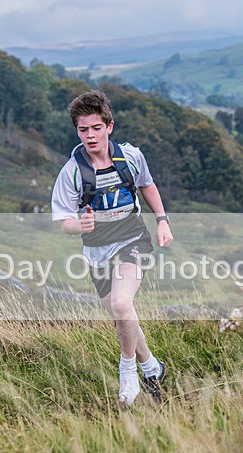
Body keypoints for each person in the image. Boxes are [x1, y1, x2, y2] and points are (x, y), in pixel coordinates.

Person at [51, 90, 173, 408]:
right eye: (82, 129)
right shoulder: (72, 172)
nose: (90, 135)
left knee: (121, 304)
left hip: (133, 239)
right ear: (76, 131)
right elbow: (64, 221)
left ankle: (128, 372)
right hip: (96, 251)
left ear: (109, 126)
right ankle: (153, 369)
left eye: (95, 127)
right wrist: (80, 226)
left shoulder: (131, 157)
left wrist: (162, 220)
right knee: (121, 313)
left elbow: (146, 185)